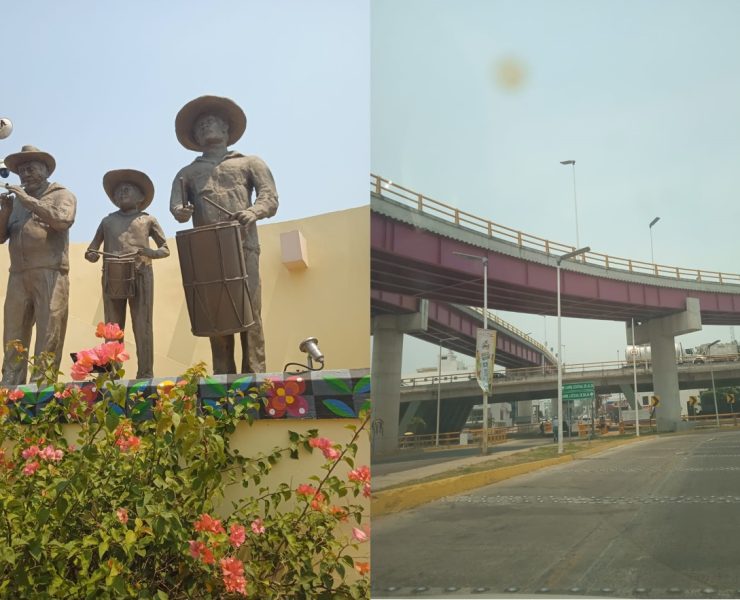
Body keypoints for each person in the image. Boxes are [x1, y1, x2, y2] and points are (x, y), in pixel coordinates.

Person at [169, 95, 278, 374]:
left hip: (243, 245)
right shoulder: (187, 173)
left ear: (227, 129)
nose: (206, 127)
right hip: (206, 250)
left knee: (250, 310)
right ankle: (223, 377)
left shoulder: (250, 162)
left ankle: (255, 373)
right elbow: (177, 206)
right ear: (194, 136)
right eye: (201, 126)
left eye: (212, 122)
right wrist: (182, 211)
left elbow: (270, 198)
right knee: (216, 316)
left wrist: (254, 212)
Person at [0, 145, 76, 385]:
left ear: (45, 170)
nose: (25, 174)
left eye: (31, 168)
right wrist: (6, 211)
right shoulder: (17, 201)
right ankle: (10, 384)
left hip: (50, 272)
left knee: (48, 330)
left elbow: (62, 221)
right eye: (21, 170)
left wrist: (28, 200)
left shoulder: (61, 194)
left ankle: (42, 385)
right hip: (19, 275)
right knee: (13, 332)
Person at [85, 169, 170, 379]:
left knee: (143, 325)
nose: (122, 192)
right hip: (112, 274)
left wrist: (151, 253)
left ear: (141, 197)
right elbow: (92, 248)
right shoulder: (107, 221)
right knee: (112, 328)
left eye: (128, 189)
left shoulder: (148, 220)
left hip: (141, 273)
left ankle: (146, 373)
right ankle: (112, 374)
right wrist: (92, 254)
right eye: (118, 191)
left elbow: (165, 249)